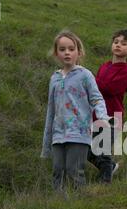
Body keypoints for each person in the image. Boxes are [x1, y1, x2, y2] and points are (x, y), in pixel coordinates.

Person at [41, 31, 110, 193]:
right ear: (56, 53)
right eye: (62, 49)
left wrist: (103, 117)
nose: (67, 52)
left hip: (79, 133)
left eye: (71, 49)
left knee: (74, 171)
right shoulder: (54, 79)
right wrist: (47, 142)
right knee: (57, 171)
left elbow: (97, 99)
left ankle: (81, 205)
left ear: (79, 52)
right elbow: (50, 111)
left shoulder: (85, 75)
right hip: (58, 135)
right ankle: (59, 206)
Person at [88, 29, 127, 183]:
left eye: (123, 44)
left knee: (102, 152)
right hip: (95, 115)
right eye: (116, 42)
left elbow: (109, 89)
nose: (118, 45)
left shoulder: (125, 70)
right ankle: (110, 167)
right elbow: (94, 90)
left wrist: (90, 80)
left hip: (112, 117)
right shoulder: (105, 66)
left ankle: (104, 183)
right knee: (86, 149)